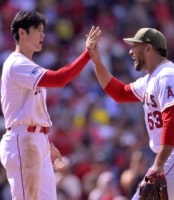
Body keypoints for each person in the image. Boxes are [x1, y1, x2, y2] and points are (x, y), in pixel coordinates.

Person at [88, 27, 174, 199]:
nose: (131, 51)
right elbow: (119, 92)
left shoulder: (167, 76)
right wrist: (97, 62)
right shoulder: (152, 79)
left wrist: (158, 165)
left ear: (149, 48)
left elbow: (172, 121)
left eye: (135, 46)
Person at [0, 10, 101, 200]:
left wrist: (47, 142)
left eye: (43, 30)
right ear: (22, 33)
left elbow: (34, 110)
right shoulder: (16, 63)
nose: (43, 35)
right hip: (22, 140)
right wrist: (87, 54)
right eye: (37, 30)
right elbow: (60, 78)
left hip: (36, 139)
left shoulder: (29, 65)